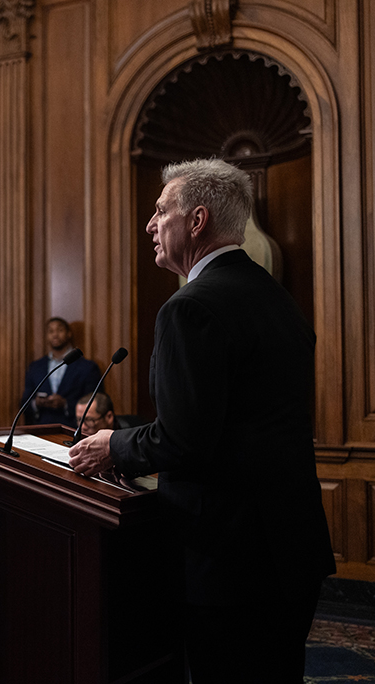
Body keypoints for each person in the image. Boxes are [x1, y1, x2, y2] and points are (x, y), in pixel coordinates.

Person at [68, 158, 335, 683]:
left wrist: (112, 446)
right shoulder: (278, 300)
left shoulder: (189, 308)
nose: (150, 224)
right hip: (291, 548)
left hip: (228, 561)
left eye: (160, 211)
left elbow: (183, 441)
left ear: (196, 221)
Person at [21, 317, 101, 427]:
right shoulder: (36, 367)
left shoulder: (87, 367)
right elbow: (24, 402)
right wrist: (36, 403)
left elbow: (94, 402)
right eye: (51, 331)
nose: (55, 335)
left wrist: (65, 404)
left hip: (73, 427)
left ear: (69, 334)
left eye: (60, 330)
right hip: (42, 427)